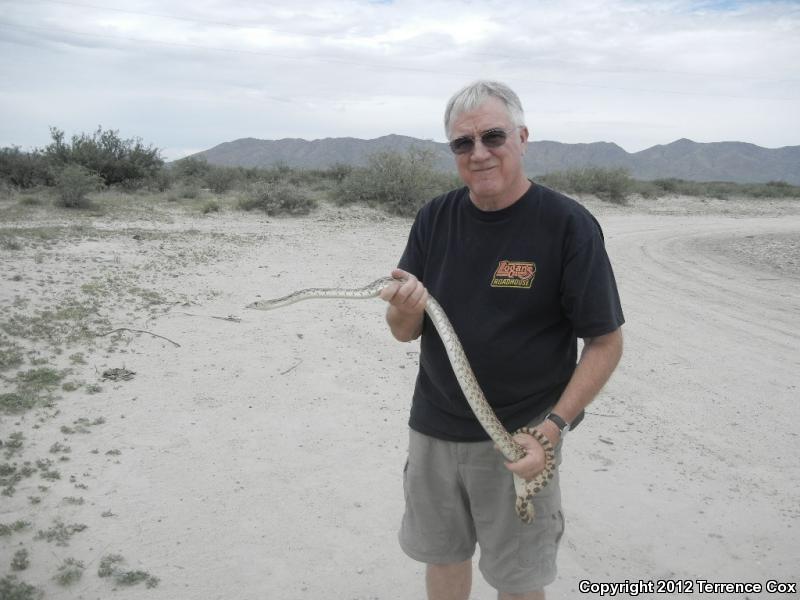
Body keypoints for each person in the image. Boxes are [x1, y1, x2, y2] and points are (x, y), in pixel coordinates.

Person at [378, 81, 625, 600]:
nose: (479, 152)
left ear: (522, 138)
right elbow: (404, 333)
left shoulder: (567, 226)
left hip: (520, 439)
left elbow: (605, 343)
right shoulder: (434, 218)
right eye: (462, 143)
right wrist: (403, 312)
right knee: (443, 558)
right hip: (433, 430)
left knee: (518, 579)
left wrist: (551, 430)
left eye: (492, 136)